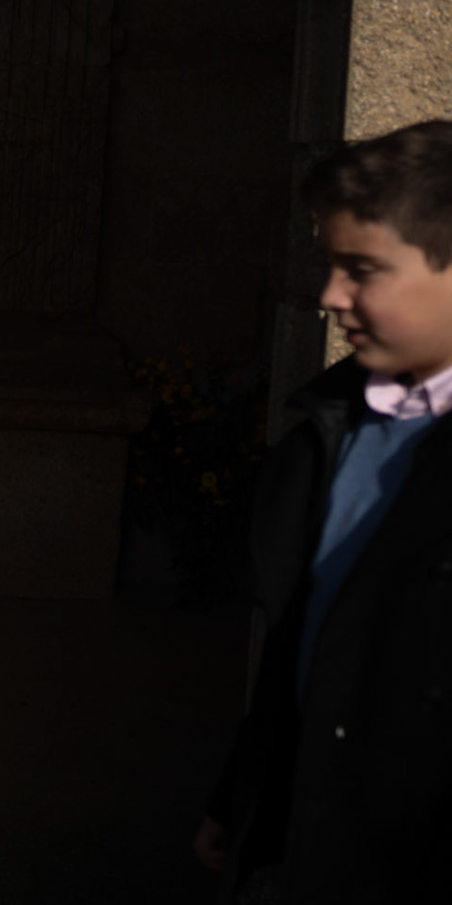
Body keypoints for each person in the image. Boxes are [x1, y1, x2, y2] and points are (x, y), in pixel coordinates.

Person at [195, 120, 452, 902]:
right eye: (330, 265)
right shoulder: (331, 429)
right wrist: (244, 799)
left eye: (362, 269)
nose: (331, 295)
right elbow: (304, 638)